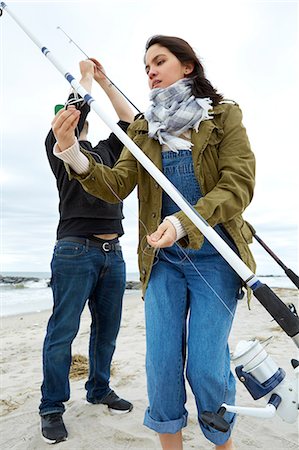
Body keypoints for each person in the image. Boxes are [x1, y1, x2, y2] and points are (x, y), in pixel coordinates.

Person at [52, 36, 256, 450]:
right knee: (161, 365)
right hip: (162, 261)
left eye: (158, 61)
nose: (150, 71)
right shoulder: (145, 127)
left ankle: (222, 441)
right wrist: (71, 150)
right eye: (146, 66)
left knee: (205, 367)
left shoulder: (224, 115)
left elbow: (239, 185)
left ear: (187, 66)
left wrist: (182, 223)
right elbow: (115, 185)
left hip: (216, 257)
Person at [40, 58, 134, 444]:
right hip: (74, 251)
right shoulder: (58, 146)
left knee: (106, 332)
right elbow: (75, 108)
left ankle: (98, 389)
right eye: (65, 115)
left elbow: (131, 123)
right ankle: (52, 407)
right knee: (62, 332)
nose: (70, 118)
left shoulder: (109, 152)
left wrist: (106, 82)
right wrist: (83, 79)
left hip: (115, 253)